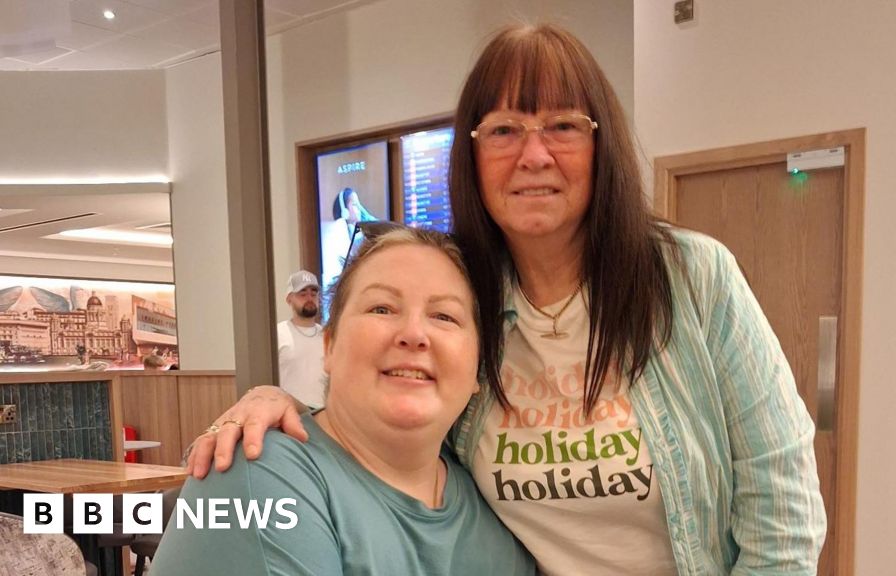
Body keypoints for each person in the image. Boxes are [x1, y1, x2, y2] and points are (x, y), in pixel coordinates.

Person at [189, 24, 826, 575]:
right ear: (472, 154)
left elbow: (782, 507)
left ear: (601, 146)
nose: (534, 154)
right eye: (503, 130)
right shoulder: (466, 295)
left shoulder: (689, 277)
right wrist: (285, 407)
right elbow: (385, 415)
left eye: (563, 126)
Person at [152, 228, 535, 576]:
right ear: (330, 346)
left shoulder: (493, 501)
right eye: (382, 308)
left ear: (478, 368)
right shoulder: (257, 472)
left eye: (444, 316)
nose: (414, 333)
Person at [277, 271, 326, 409]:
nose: (309, 298)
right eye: (302, 294)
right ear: (289, 299)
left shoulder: (328, 336)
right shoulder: (278, 334)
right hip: (289, 413)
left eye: (313, 294)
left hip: (323, 413)